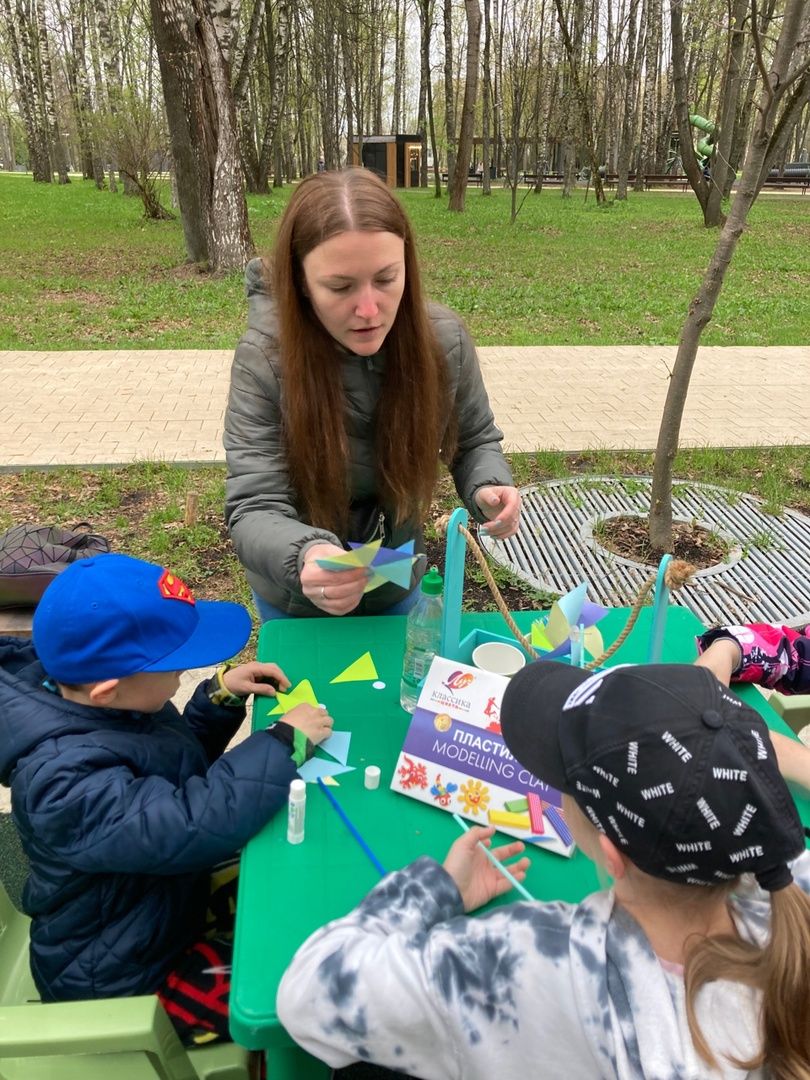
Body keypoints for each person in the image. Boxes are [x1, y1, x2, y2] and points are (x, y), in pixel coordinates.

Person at [277, 654, 810, 1079]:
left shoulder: (527, 959)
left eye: (564, 778)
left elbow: (307, 994)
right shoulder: (789, 903)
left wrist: (434, 888)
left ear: (611, 854)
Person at [0, 552, 333, 1047]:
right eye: (176, 667)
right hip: (127, 979)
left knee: (298, 890)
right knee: (297, 992)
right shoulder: (64, 785)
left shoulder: (100, 706)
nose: (185, 674)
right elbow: (190, 821)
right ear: (108, 691)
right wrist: (285, 743)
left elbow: (165, 770)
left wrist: (218, 698)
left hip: (158, 905)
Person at [224, 167, 520, 621]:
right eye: (340, 287)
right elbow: (254, 504)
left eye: (386, 279)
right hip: (299, 595)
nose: (368, 310)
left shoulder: (444, 342)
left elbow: (475, 439)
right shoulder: (265, 359)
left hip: (395, 580)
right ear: (301, 282)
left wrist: (488, 485)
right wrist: (306, 554)